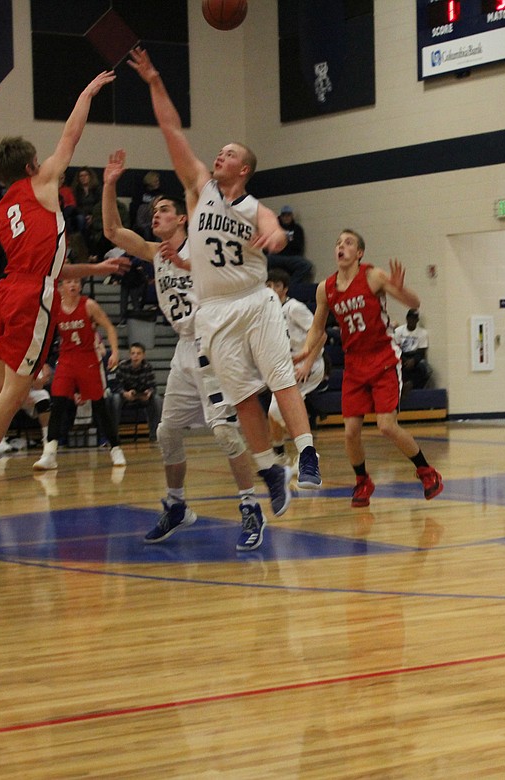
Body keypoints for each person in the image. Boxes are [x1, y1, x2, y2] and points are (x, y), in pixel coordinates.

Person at [128, 46, 323, 550]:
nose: (220, 156)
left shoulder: (254, 204)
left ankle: (305, 453)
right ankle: (270, 472)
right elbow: (172, 131)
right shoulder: (198, 188)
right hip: (212, 314)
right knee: (241, 403)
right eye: (220, 151)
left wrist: (278, 237)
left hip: (253, 301)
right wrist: (153, 81)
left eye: (230, 154)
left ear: (245, 169)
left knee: (278, 381)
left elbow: (271, 227)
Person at [0, 69, 125, 521]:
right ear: (30, 167)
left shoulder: (6, 207)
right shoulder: (42, 181)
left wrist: (96, 268)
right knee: (21, 388)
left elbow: (48, 265)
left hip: (9, 290)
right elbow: (71, 133)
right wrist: (85, 91)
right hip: (32, 298)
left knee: (1, 381)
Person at [101, 149, 281, 547]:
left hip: (212, 342)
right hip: (184, 348)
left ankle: (250, 508)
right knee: (167, 432)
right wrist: (110, 184)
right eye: (154, 212)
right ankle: (177, 505)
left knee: (224, 432)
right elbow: (113, 232)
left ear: (183, 217)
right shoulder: (154, 252)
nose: (156, 215)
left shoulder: (202, 245)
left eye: (165, 210)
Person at [295, 229, 443, 508]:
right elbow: (317, 326)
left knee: (386, 425)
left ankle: (426, 470)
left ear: (359, 253)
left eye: (348, 243)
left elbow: (415, 304)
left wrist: (401, 290)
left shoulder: (372, 276)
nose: (341, 246)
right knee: (350, 431)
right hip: (354, 364)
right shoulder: (325, 288)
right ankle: (363, 480)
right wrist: (306, 351)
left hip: (383, 358)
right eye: (338, 242)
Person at [33, 276, 124, 469]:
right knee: (57, 403)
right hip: (66, 359)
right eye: (69, 282)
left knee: (99, 406)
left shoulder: (89, 305)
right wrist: (43, 363)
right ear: (60, 288)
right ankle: (50, 453)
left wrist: (114, 352)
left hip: (88, 359)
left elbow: (109, 327)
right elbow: (45, 337)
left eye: (76, 282)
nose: (73, 284)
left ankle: (116, 449)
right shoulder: (55, 307)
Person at [265, 268, 324, 462]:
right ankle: (280, 456)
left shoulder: (294, 308)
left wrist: (307, 364)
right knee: (273, 413)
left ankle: (307, 453)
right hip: (287, 367)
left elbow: (321, 335)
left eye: (277, 285)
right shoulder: (267, 311)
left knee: (277, 410)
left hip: (309, 364)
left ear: (285, 289)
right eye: (269, 285)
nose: (272, 288)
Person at [108, 341, 160, 441]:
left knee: (157, 399)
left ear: (143, 355)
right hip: (125, 396)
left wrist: (149, 393)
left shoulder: (147, 367)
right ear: (130, 355)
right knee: (115, 398)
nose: (135, 356)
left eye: (138, 353)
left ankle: (154, 434)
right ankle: (114, 435)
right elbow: (116, 385)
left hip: (142, 396)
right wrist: (125, 393)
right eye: (133, 353)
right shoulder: (123, 366)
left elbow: (152, 385)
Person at [267, 205, 315, 285]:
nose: (286, 217)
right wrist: (287, 243)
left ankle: (291, 285)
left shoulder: (297, 229)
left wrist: (282, 242)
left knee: (307, 265)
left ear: (292, 216)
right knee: (264, 260)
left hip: (292, 257)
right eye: (284, 215)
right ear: (281, 216)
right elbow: (271, 244)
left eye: (288, 215)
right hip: (276, 257)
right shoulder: (274, 228)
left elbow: (298, 246)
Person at [393, 308, 431, 390]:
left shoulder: (422, 333)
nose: (411, 320)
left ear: (417, 320)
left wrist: (413, 360)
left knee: (426, 369)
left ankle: (411, 385)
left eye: (414, 318)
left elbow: (422, 352)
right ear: (407, 318)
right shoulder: (398, 331)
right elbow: (395, 348)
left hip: (415, 356)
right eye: (410, 318)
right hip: (402, 355)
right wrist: (403, 359)